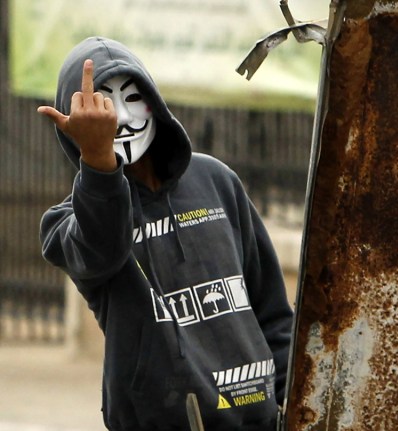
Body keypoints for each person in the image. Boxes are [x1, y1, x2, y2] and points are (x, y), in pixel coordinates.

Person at [38, 36, 293, 430]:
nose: (121, 117)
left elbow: (273, 314)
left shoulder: (217, 181)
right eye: (103, 104)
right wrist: (98, 161)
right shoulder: (71, 222)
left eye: (132, 97)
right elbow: (101, 248)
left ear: (154, 102)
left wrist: (290, 401)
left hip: (261, 420)